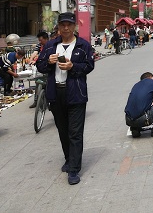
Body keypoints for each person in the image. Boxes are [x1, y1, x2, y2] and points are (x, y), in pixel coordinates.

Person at [36, 12, 95, 185]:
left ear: (74, 26)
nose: (66, 28)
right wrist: (48, 61)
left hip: (76, 94)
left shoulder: (83, 45)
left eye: (69, 24)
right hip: (56, 94)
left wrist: (72, 66)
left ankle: (74, 170)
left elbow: (89, 66)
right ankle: (69, 159)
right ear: (58, 26)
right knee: (63, 131)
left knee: (75, 133)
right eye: (63, 25)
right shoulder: (51, 45)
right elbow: (40, 65)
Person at [29, 31, 50, 108]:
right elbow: (35, 53)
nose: (40, 42)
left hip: (48, 67)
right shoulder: (39, 45)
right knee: (38, 83)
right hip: (40, 67)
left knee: (49, 84)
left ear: (46, 39)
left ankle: (50, 101)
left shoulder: (51, 45)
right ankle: (36, 101)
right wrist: (31, 60)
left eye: (41, 40)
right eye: (39, 40)